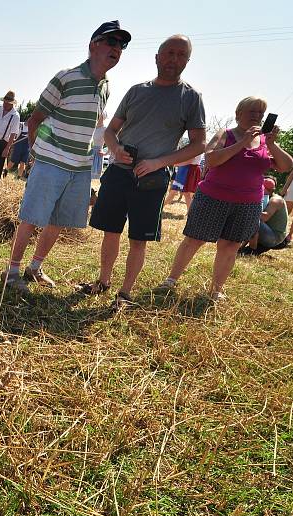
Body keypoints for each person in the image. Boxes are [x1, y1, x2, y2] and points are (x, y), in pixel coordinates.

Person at [78, 34, 206, 309]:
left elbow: (198, 145)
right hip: (119, 172)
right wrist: (116, 148)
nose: (173, 59)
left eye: (180, 54)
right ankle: (103, 281)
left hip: (152, 180)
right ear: (157, 57)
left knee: (138, 239)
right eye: (169, 52)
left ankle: (125, 294)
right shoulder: (136, 91)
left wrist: (160, 162)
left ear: (187, 61)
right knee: (109, 232)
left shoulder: (191, 98)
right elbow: (111, 130)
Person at [0, 21, 131, 292]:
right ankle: (11, 272)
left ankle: (34, 267)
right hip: (51, 162)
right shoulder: (66, 78)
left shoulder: (106, 86)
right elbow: (36, 119)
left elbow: (94, 126)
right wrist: (37, 155)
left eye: (121, 45)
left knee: (59, 222)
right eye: (111, 42)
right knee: (32, 217)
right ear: (93, 44)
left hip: (81, 167)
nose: (116, 49)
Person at [160, 96, 293, 301]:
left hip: (247, 203)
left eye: (260, 113)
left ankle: (216, 290)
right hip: (213, 197)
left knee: (230, 246)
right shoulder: (226, 134)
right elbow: (212, 159)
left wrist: (273, 144)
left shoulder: (266, 142)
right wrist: (243, 143)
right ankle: (171, 279)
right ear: (238, 114)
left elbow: (286, 166)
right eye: (252, 111)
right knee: (194, 239)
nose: (257, 116)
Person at [239, 177, 288, 254]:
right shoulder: (263, 197)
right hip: (267, 233)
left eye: (267, 189)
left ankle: (252, 250)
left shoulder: (276, 200)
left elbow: (265, 217)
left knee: (253, 219)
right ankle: (244, 249)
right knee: (251, 219)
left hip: (275, 238)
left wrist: (247, 210)